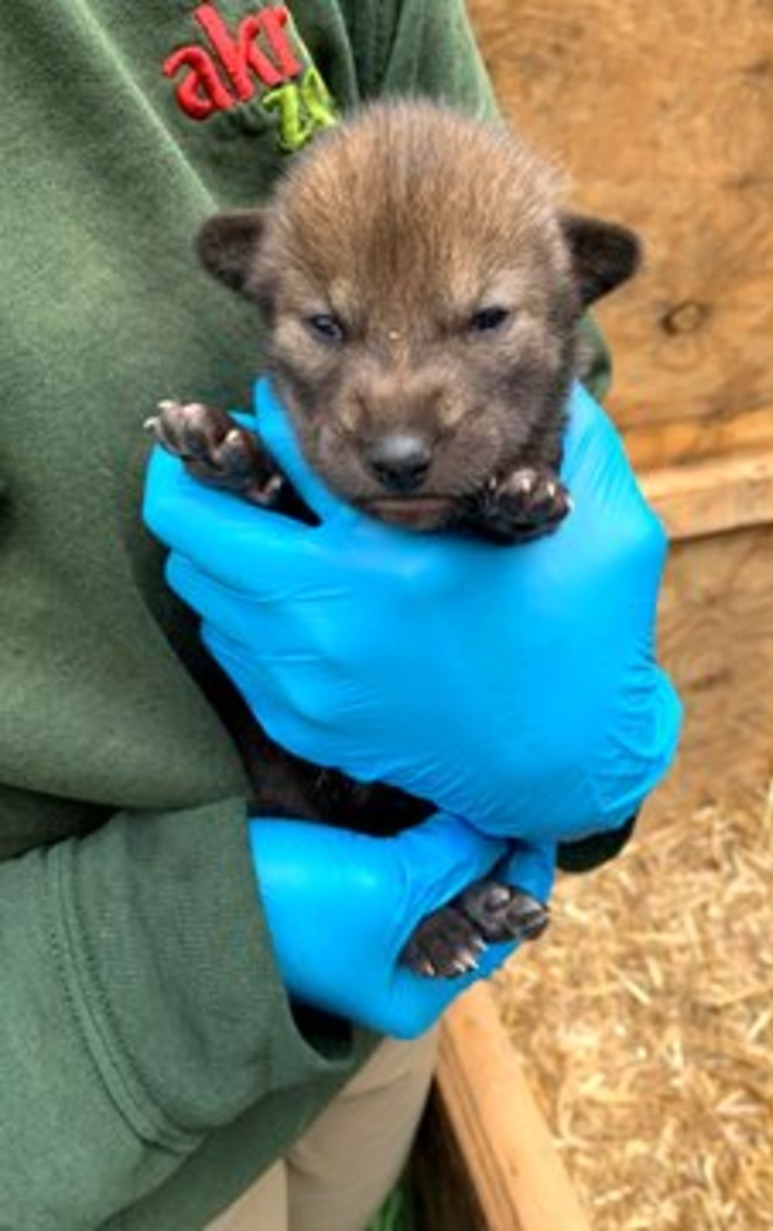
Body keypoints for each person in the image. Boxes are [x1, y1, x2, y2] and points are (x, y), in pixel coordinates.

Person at [0, 2, 681, 1228]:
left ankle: (448, 900)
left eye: (480, 322)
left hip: (365, 1029)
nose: (398, 420)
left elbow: (554, 349)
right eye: (325, 327)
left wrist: (554, 564)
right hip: (79, 1131)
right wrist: (138, 962)